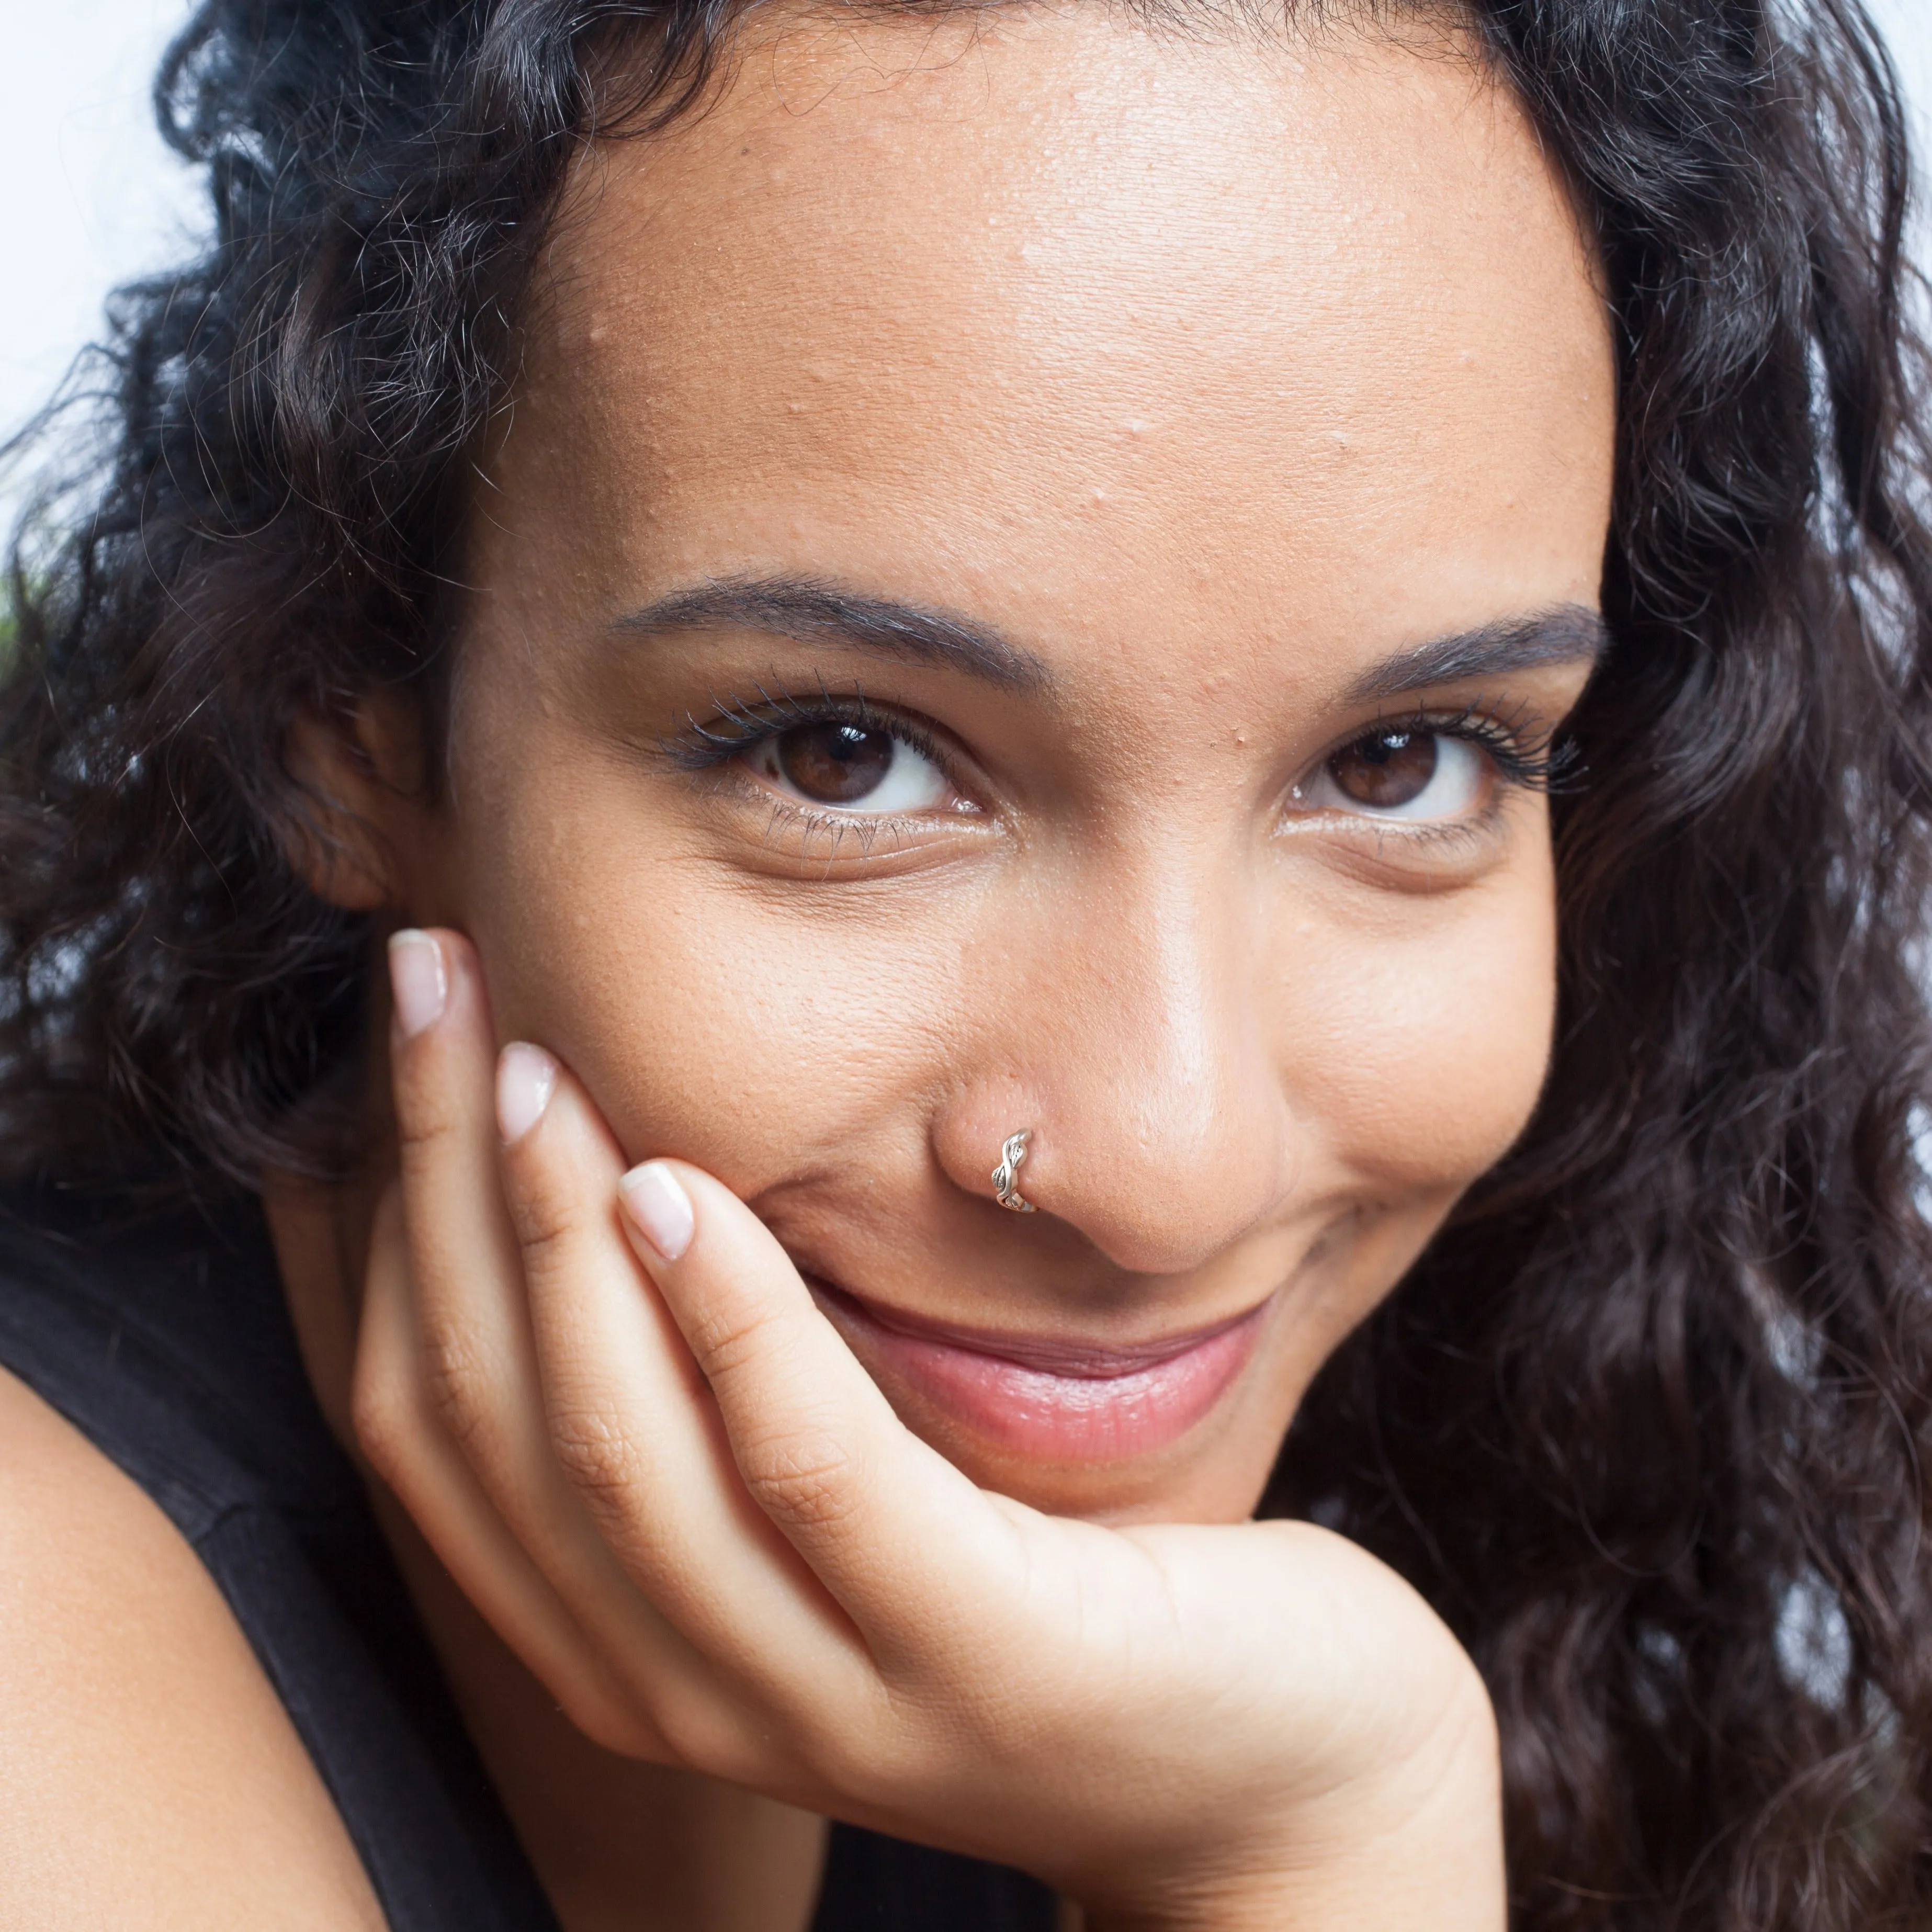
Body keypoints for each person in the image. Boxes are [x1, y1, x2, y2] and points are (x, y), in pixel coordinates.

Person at [2, 0, 1929, 1925]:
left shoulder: (1199, 1599)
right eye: (845, 757)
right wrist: (1319, 1844)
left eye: (1400, 762)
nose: (1169, 1173)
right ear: (345, 718)